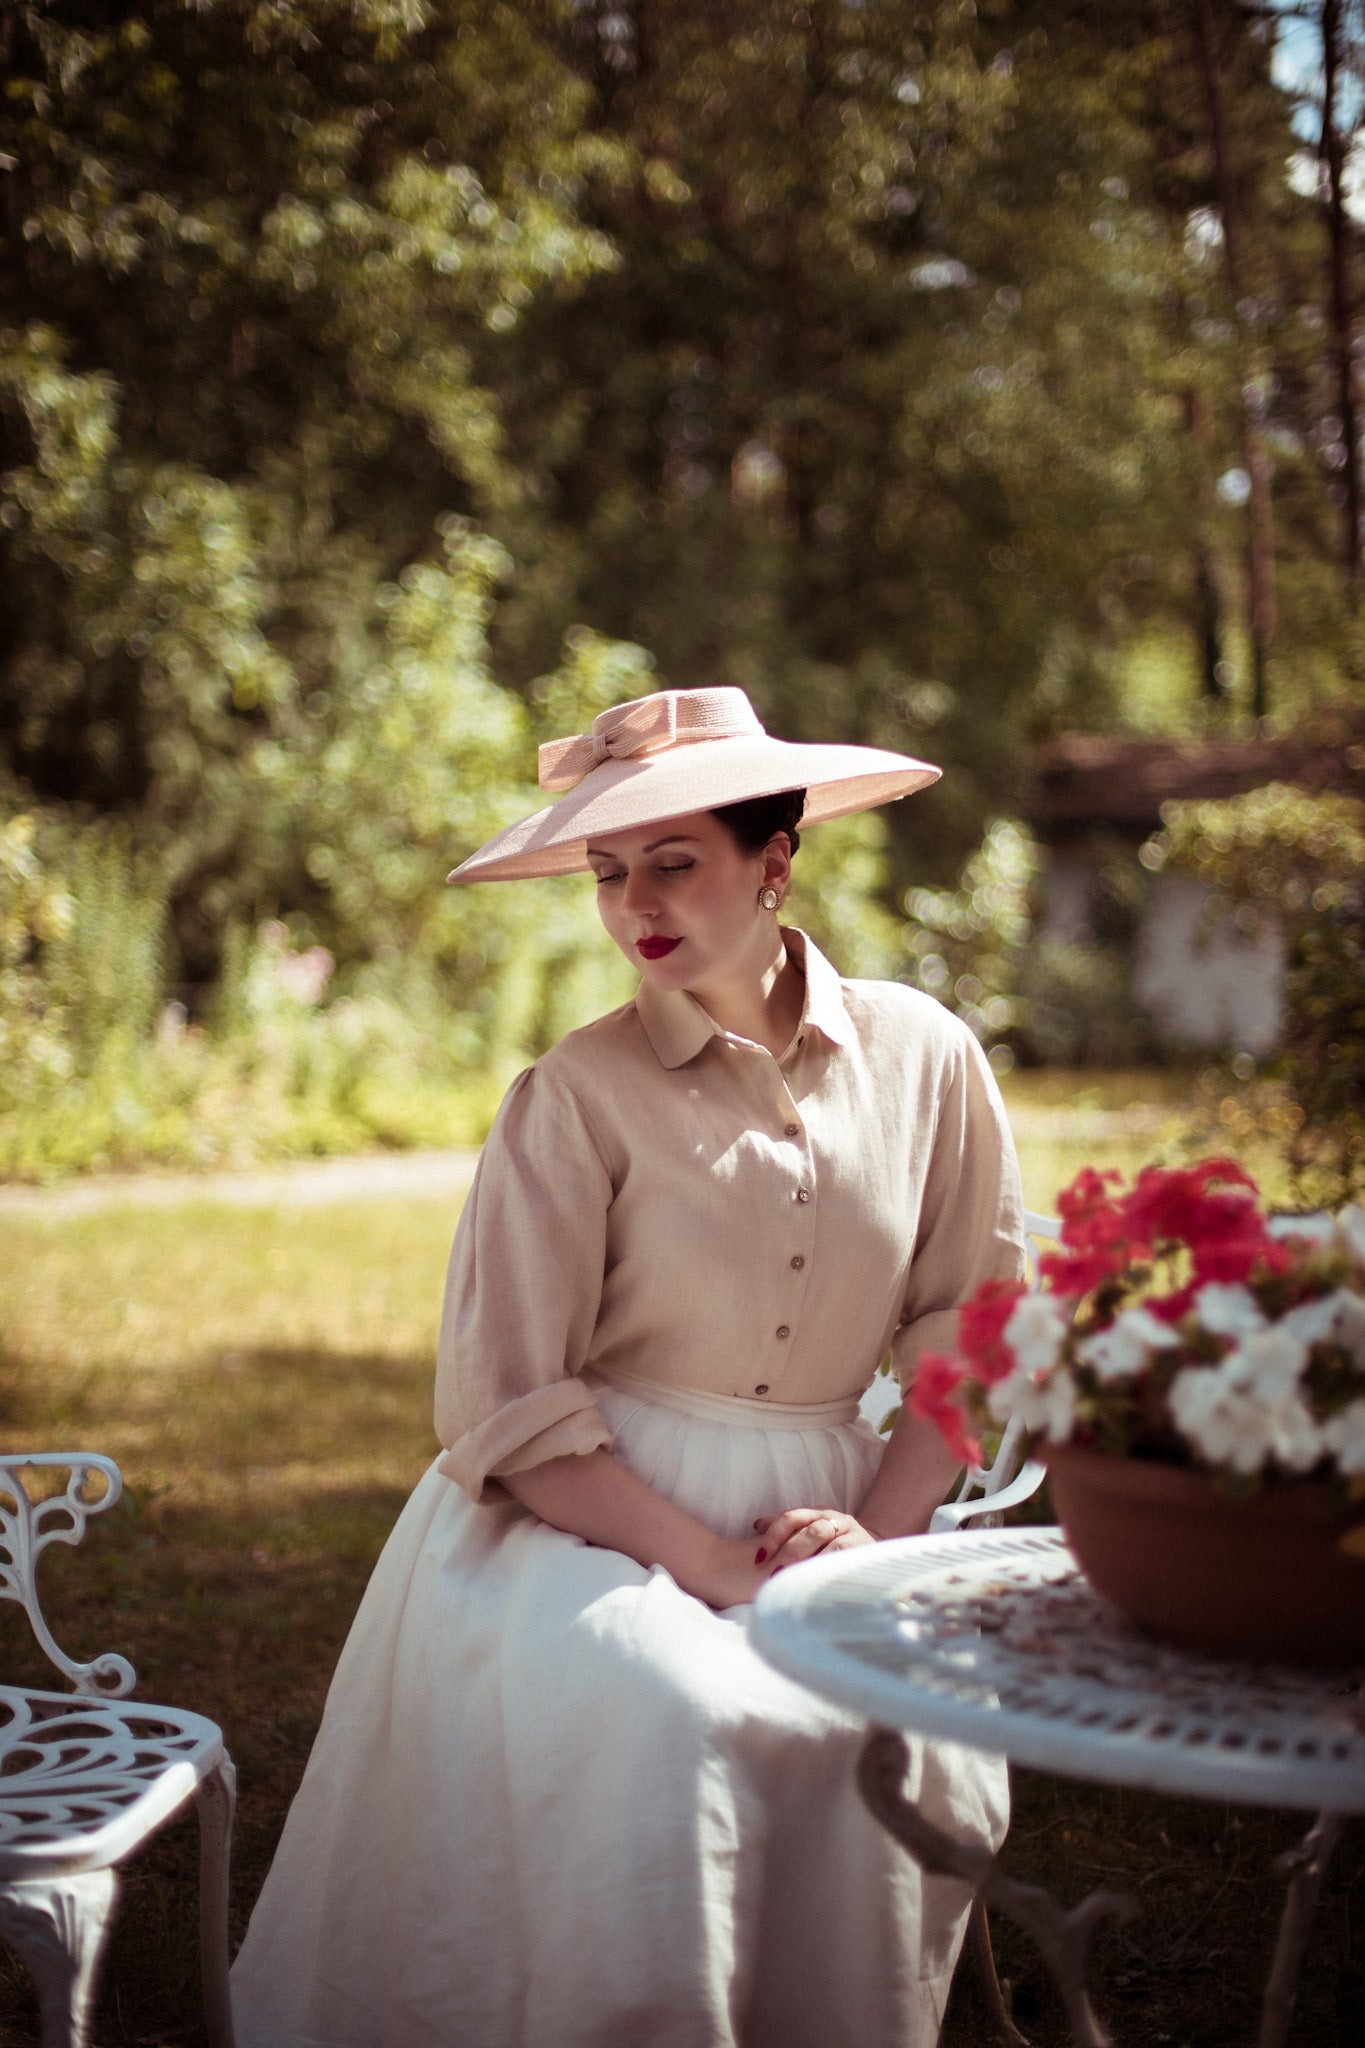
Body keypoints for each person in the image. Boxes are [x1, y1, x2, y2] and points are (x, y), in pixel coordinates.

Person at [231, 685, 1027, 2048]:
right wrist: (711, 1569)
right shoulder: (574, 1094)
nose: (633, 905)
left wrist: (873, 1535)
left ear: (774, 860)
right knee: (682, 1717)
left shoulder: (926, 1059)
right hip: (586, 1520)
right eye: (607, 872)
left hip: (833, 1509)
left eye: (675, 863)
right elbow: (509, 1405)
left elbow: (971, 1324)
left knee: (910, 1724)